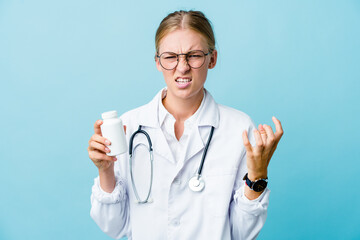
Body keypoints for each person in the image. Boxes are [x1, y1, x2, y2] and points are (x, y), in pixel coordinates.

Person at [87, 10, 283, 240]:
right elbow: (115, 227)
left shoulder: (239, 129)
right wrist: (105, 170)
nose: (182, 67)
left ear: (212, 59)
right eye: (170, 57)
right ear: (157, 62)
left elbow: (241, 234)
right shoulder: (129, 127)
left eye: (194, 55)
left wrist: (257, 175)